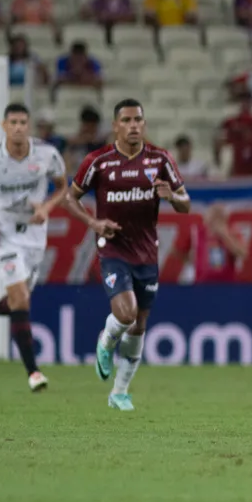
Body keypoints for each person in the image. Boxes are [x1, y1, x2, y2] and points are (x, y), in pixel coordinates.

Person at [64, 99, 191, 411]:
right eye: (127, 120)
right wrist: (93, 222)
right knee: (126, 313)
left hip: (147, 254)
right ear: (115, 126)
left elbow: (185, 203)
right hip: (113, 249)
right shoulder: (99, 161)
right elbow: (70, 198)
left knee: (139, 325)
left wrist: (171, 195)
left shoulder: (160, 159)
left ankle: (119, 392)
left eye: (138, 120)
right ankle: (106, 342)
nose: (134, 125)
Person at [0, 104, 67, 392]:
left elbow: (62, 187)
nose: (19, 127)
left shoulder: (47, 155)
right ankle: (34, 373)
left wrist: (46, 207)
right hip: (3, 235)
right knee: (21, 300)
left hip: (34, 236)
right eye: (14, 122)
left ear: (29, 125)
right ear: (4, 125)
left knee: (16, 301)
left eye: (23, 121)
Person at [172, 203, 248, 283]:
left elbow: (243, 253)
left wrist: (225, 236)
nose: (216, 222)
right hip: (202, 284)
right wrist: (190, 259)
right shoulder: (195, 232)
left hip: (227, 284)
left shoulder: (232, 231)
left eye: (219, 218)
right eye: (213, 218)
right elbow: (176, 251)